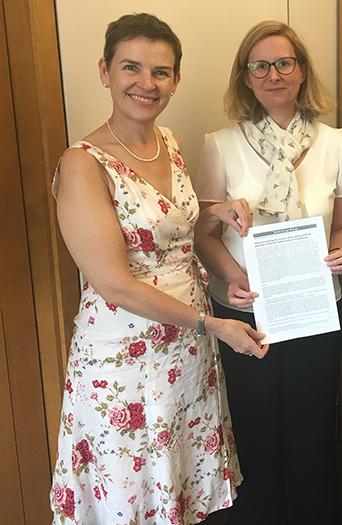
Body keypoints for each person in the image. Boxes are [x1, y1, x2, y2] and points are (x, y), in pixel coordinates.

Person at [49, 13, 268, 525]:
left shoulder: (167, 142)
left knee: (178, 480)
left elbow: (167, 226)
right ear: (105, 71)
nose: (146, 84)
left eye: (161, 72)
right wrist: (213, 323)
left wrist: (214, 211)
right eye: (132, 68)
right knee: (131, 488)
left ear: (176, 79)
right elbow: (114, 284)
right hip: (126, 358)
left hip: (185, 347)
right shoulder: (82, 164)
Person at [192, 20, 342, 525]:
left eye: (284, 62)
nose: (273, 74)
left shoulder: (336, 142)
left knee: (311, 420)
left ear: (302, 71)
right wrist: (233, 278)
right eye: (259, 65)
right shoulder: (220, 144)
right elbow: (203, 232)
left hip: (313, 307)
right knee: (257, 421)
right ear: (246, 77)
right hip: (247, 309)